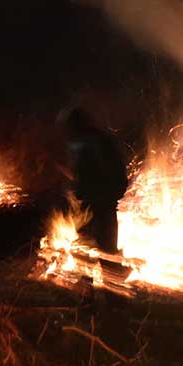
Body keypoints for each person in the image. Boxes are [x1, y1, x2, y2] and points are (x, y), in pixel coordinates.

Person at [59, 107, 128, 255]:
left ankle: (109, 272)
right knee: (98, 246)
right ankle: (108, 270)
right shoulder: (94, 141)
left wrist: (84, 191)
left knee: (94, 246)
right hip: (99, 200)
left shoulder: (91, 143)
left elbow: (92, 172)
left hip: (98, 201)